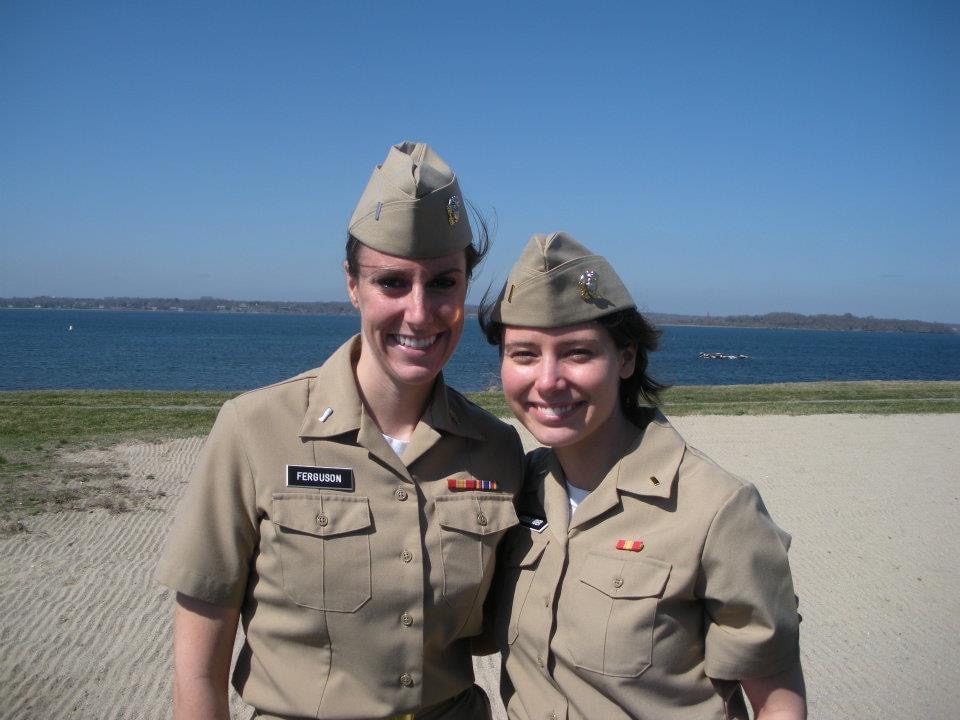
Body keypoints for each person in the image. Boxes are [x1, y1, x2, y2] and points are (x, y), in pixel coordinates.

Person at [157, 142, 524, 720]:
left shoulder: (498, 451)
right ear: (352, 284)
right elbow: (197, 672)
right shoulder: (254, 431)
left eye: (444, 283)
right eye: (392, 283)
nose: (420, 312)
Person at [479, 232, 806, 720]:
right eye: (524, 354)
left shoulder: (717, 510)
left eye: (577, 353)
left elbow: (777, 703)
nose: (547, 381)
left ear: (626, 358)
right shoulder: (517, 487)